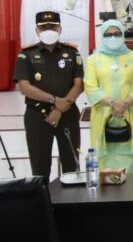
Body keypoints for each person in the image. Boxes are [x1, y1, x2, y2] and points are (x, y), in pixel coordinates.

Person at [13, 11, 84, 180]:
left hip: (67, 113)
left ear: (60, 29)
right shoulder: (26, 54)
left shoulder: (72, 52)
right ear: (37, 30)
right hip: (37, 115)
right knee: (40, 165)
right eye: (44, 27)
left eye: (52, 26)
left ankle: (70, 195)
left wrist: (59, 108)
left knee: (71, 163)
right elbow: (24, 87)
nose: (48, 30)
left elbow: (79, 84)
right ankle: (42, 196)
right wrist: (54, 100)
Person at [83, 20, 133, 172]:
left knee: (130, 173)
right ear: (102, 36)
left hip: (130, 115)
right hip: (103, 116)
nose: (113, 37)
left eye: (117, 34)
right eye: (108, 34)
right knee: (105, 171)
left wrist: (124, 104)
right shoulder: (94, 59)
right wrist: (112, 103)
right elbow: (90, 86)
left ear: (123, 35)